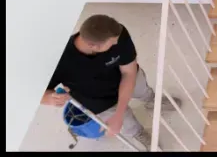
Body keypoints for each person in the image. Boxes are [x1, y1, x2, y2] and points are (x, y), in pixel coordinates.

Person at [42, 14, 180, 150]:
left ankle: (151, 100)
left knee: (141, 89)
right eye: (112, 43)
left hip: (122, 76)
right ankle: (138, 133)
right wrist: (50, 98)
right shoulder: (59, 60)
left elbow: (129, 73)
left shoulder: (117, 33)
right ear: (93, 46)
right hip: (97, 99)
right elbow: (37, 95)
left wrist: (119, 113)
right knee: (126, 123)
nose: (116, 43)